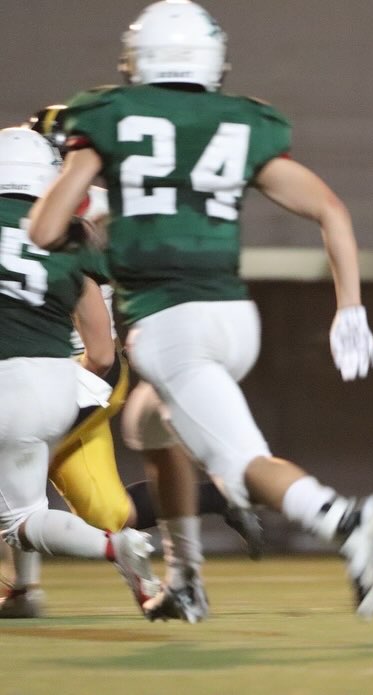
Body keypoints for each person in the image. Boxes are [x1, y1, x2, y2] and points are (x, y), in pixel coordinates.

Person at [29, 0, 373, 623]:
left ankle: (342, 519)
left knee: (240, 468)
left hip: (172, 327)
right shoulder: (241, 122)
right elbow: (330, 209)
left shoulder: (110, 115)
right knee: (149, 427)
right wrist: (349, 308)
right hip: (233, 318)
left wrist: (84, 232)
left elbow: (43, 227)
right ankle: (186, 577)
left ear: (139, 60)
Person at [0, 106, 265, 620]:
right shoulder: (82, 216)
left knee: (21, 477)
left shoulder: (90, 209)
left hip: (78, 366)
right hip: (71, 369)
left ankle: (25, 588)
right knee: (104, 510)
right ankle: (215, 502)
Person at [0, 126, 159, 615]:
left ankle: (26, 590)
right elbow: (102, 351)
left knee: (18, 518)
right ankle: (115, 547)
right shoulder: (69, 234)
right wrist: (74, 395)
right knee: (24, 516)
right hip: (55, 381)